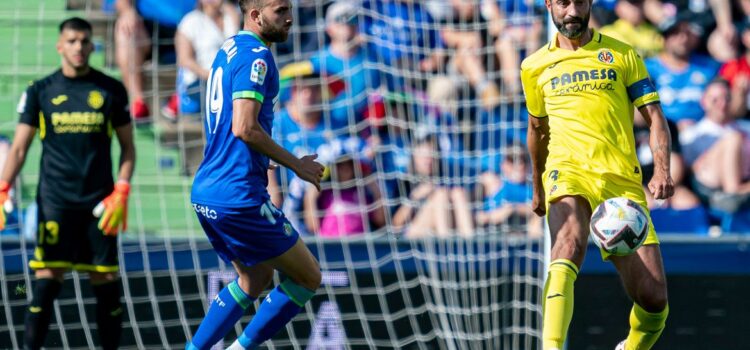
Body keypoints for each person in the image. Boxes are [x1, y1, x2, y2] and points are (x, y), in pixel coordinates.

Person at [520, 0, 672, 349]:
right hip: (567, 171)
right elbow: (536, 130)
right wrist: (537, 187)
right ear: (549, 5)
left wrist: (662, 169)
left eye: (579, 2)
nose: (571, 11)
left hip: (620, 182)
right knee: (567, 245)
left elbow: (655, 117)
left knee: (654, 299)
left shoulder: (622, 55)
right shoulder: (534, 66)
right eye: (562, 2)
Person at [187, 1, 325, 349]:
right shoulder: (257, 57)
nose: (290, 18)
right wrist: (298, 165)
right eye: (280, 10)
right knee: (308, 276)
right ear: (255, 15)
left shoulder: (229, 48)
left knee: (255, 277)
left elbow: (230, 126)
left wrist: (261, 162)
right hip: (238, 195)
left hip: (209, 189)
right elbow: (245, 127)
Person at [0, 17, 135, 350]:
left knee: (105, 285)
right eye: (72, 41)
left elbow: (128, 147)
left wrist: (122, 188)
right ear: (60, 45)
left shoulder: (110, 90)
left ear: (92, 45)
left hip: (99, 206)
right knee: (45, 286)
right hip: (55, 204)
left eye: (84, 41)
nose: (78, 47)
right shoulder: (40, 91)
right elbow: (18, 148)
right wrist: (2, 186)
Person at [680, 78, 750, 213]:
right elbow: (692, 170)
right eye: (715, 100)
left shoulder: (746, 128)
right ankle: (733, 192)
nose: (722, 104)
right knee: (733, 138)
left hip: (744, 178)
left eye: (727, 98)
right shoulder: (692, 134)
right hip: (710, 188)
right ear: (704, 102)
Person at [162, 0, 240, 119]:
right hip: (201, 81)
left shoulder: (230, 17)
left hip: (230, 78)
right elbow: (184, 59)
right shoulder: (190, 21)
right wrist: (212, 76)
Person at [645, 18, 720, 130]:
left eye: (688, 33)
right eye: (675, 33)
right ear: (664, 38)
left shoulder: (710, 66)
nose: (683, 38)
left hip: (705, 132)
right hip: (661, 132)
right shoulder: (648, 68)